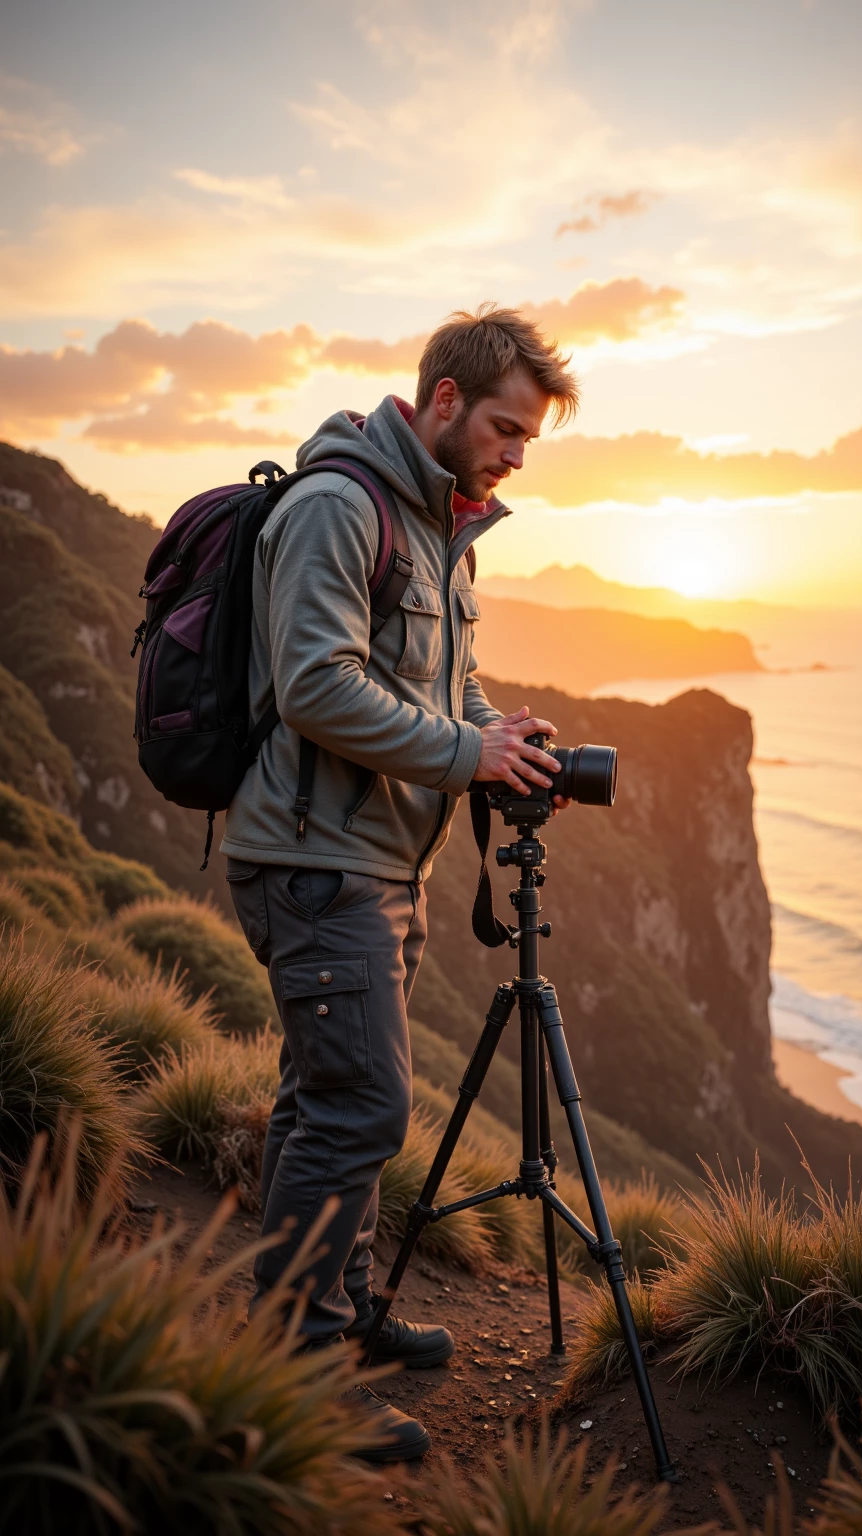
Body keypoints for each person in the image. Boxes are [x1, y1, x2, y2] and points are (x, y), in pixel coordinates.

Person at [221, 305, 579, 1460]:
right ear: (439, 400)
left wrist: (496, 735)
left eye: (527, 439)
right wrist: (462, 753)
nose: (517, 455)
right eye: (507, 429)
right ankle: (300, 1378)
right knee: (361, 1106)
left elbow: (434, 689)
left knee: (329, 1099)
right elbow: (317, 686)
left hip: (376, 860)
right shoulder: (339, 506)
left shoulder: (435, 527)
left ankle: (341, 1311)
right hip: (317, 863)